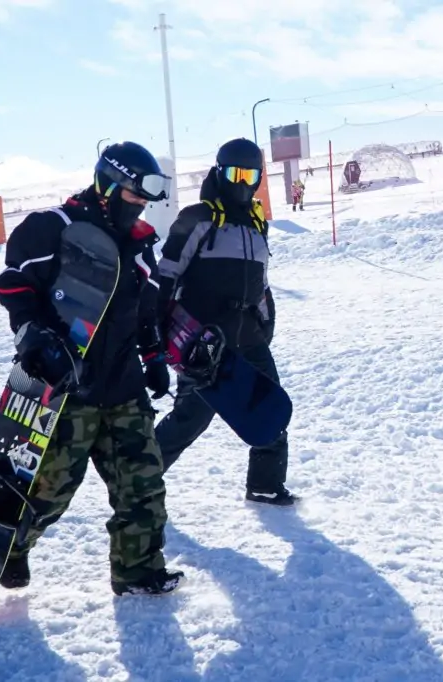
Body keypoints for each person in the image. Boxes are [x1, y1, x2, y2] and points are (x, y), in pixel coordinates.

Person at [0, 141, 184, 596]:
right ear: (108, 184)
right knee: (50, 493)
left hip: (123, 386)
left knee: (144, 485)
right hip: (66, 389)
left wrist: (153, 358)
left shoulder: (139, 245)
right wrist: (31, 332)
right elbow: (13, 284)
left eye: (146, 200)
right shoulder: (54, 227)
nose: (141, 208)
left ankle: (137, 570)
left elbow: (145, 311)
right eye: (135, 196)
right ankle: (8, 548)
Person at [154, 137, 296, 506]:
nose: (242, 182)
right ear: (219, 172)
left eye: (251, 175)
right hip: (205, 343)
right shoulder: (198, 218)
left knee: (270, 409)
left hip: (249, 337)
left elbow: (260, 281)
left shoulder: (256, 222)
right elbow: (166, 277)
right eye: (234, 173)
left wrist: (266, 321)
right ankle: (138, 482)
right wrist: (155, 333)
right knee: (190, 419)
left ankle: (265, 485)